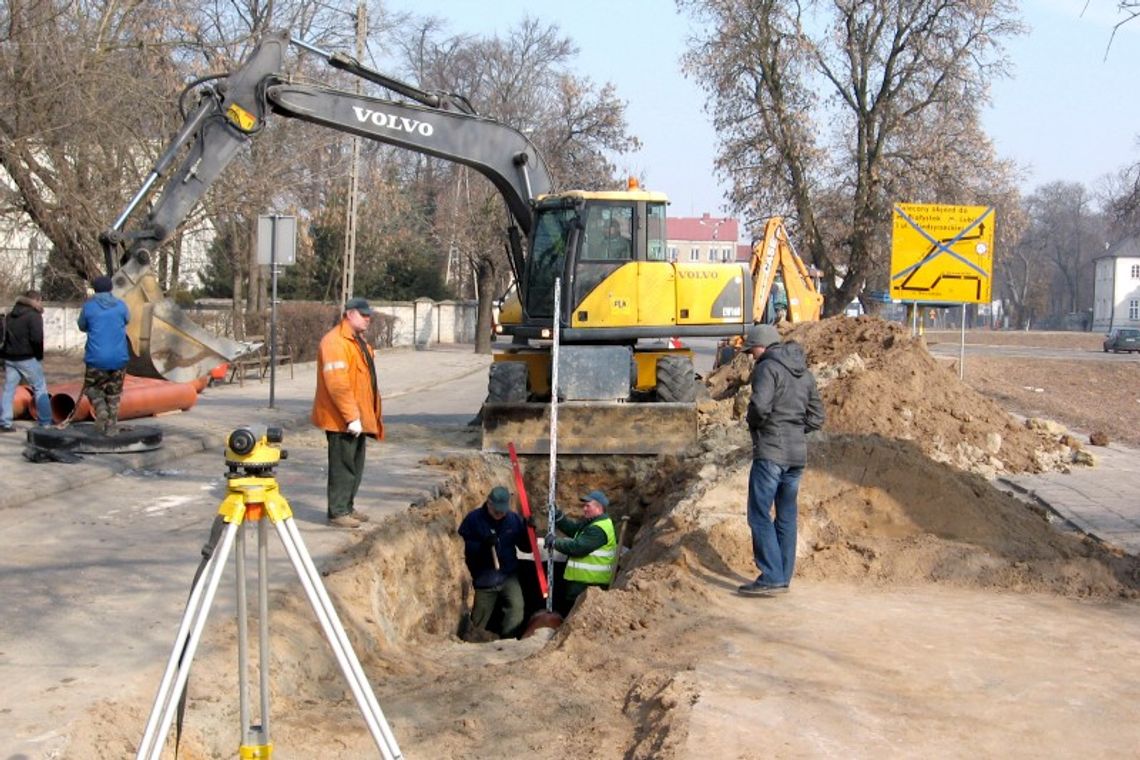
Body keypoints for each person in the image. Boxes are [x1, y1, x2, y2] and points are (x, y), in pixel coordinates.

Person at [737, 323, 824, 597]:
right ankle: (783, 576)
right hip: (797, 455)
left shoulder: (766, 368)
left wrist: (755, 423)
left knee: (759, 514)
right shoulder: (805, 373)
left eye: (752, 350)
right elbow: (817, 417)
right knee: (786, 515)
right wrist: (795, 431)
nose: (752, 356)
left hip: (771, 452)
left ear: (763, 346)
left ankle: (771, 576)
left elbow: (760, 407)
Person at [311, 297, 383, 529]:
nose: (368, 318)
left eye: (368, 315)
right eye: (364, 315)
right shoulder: (334, 343)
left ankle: (348, 506)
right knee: (343, 466)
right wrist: (351, 417)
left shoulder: (355, 341)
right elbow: (337, 384)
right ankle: (338, 511)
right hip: (340, 420)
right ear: (349, 314)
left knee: (355, 465)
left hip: (357, 418)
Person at [457, 486, 532, 639]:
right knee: (479, 618)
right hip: (485, 577)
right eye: (496, 510)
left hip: (508, 575)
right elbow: (460, 547)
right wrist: (482, 545)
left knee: (516, 608)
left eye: (502, 510)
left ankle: (508, 641)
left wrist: (529, 531)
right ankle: (473, 643)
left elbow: (527, 548)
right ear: (488, 503)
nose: (499, 514)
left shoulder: (513, 520)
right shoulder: (474, 519)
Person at [546, 489, 617, 612]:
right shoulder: (593, 523)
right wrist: (558, 517)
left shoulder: (598, 529)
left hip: (589, 584)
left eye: (587, 506)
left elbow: (577, 548)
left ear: (598, 508)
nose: (584, 508)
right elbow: (574, 530)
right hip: (582, 582)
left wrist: (555, 542)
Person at [77, 276, 130, 435]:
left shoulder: (89, 307)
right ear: (110, 288)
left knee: (92, 388)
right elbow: (127, 320)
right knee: (114, 393)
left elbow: (82, 326)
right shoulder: (121, 306)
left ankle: (100, 409)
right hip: (119, 358)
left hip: (96, 358)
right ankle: (111, 428)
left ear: (95, 289)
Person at [1, 289, 52, 432]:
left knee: (8, 390)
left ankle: (5, 422)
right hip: (27, 357)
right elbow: (37, 338)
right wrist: (39, 356)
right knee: (40, 387)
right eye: (40, 300)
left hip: (10, 358)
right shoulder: (34, 316)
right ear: (36, 300)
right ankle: (45, 422)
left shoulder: (10, 316)